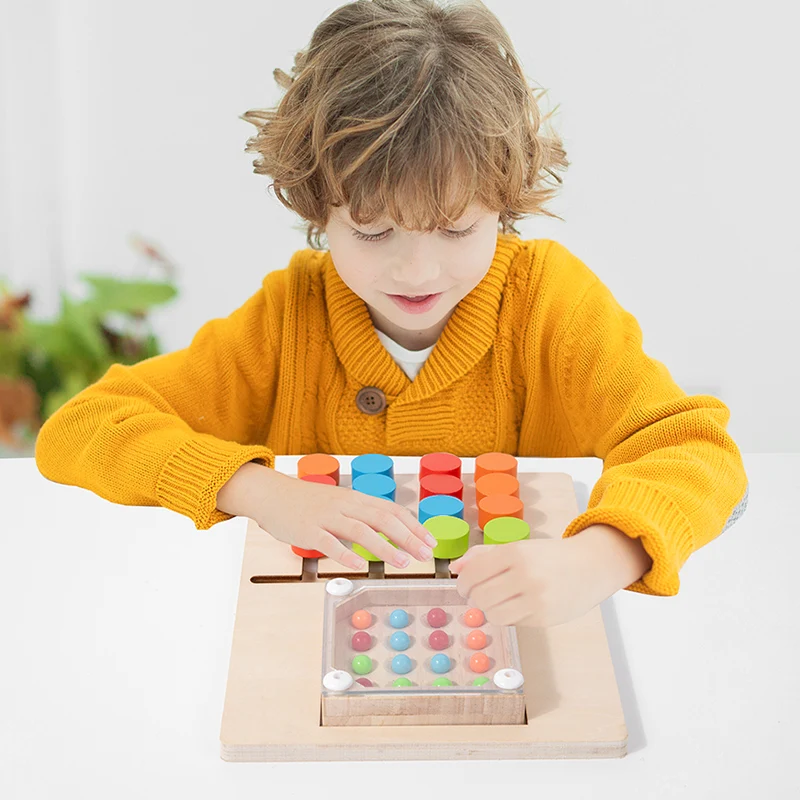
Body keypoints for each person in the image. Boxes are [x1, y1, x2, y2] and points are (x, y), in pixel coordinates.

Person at [34, 0, 748, 628]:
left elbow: (695, 453)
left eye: (457, 230)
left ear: (505, 202)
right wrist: (258, 489)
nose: (416, 270)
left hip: (519, 640)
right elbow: (85, 426)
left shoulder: (550, 302)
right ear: (318, 208)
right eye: (373, 233)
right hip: (322, 634)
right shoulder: (292, 315)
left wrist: (601, 558)